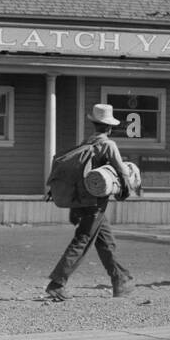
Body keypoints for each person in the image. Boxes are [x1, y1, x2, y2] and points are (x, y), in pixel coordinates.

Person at [43, 103, 135, 301]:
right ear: (109, 127)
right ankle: (57, 283)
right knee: (82, 240)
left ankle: (121, 280)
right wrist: (127, 187)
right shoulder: (108, 145)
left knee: (106, 242)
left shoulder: (86, 143)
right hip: (96, 202)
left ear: (94, 124)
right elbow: (123, 173)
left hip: (82, 200)